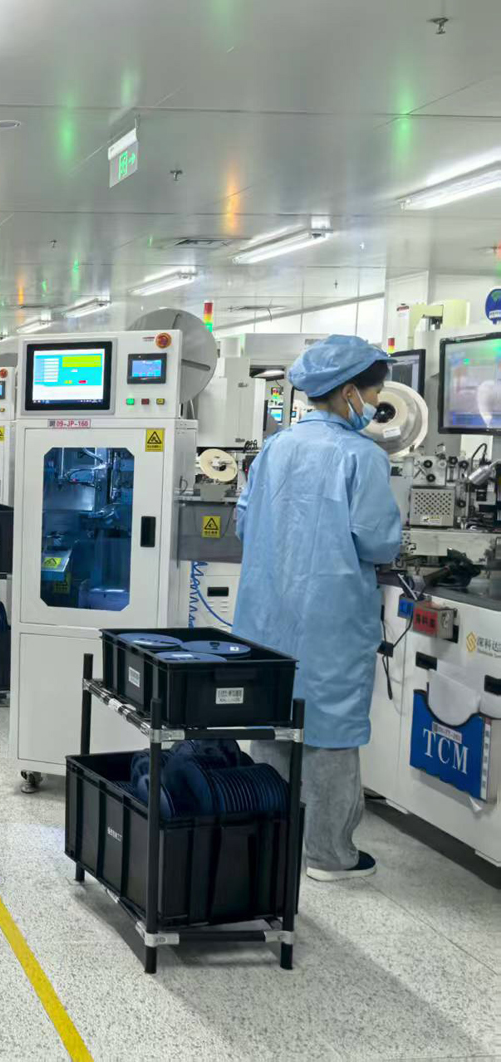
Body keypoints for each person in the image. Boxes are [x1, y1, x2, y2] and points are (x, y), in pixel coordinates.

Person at [234, 334, 402, 881]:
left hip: (266, 616)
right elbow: (378, 542)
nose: (373, 405)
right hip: (330, 619)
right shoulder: (361, 456)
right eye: (373, 394)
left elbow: (243, 524)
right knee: (330, 732)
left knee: (272, 722)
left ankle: (269, 840)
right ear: (349, 391)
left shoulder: (275, 448)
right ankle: (329, 854)